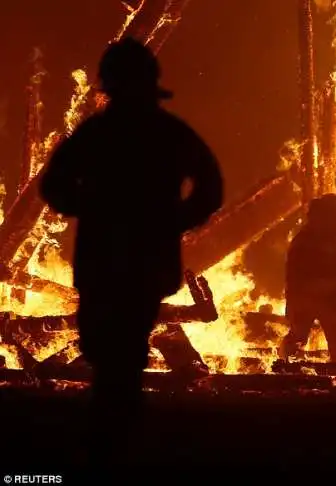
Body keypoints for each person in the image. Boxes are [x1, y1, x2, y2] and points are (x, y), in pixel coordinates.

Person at [38, 37, 223, 458]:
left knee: (108, 353)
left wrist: (91, 208)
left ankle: (111, 440)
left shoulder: (98, 134)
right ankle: (123, 438)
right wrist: (175, 220)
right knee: (124, 351)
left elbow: (54, 185)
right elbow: (211, 188)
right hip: (146, 263)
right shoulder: (169, 133)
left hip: (105, 262)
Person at [280, 194, 336, 362]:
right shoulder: (303, 241)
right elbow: (294, 278)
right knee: (298, 337)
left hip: (333, 298)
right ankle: (286, 365)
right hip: (307, 297)